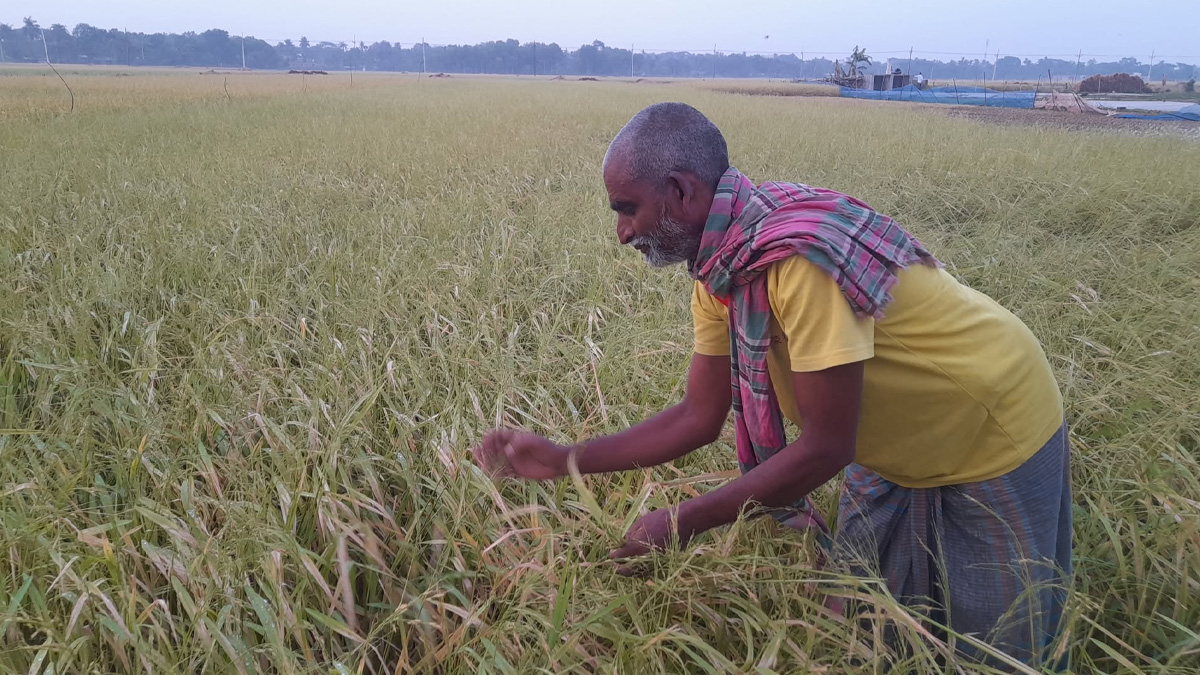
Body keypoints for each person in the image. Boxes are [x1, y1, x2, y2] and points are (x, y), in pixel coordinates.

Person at [472, 102, 1072, 668]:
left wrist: (682, 520)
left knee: (991, 640)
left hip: (991, 421)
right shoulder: (723, 268)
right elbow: (698, 416)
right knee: (861, 622)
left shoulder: (793, 263)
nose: (622, 233)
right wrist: (565, 460)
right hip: (890, 441)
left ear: (681, 191)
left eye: (626, 208)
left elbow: (826, 447)